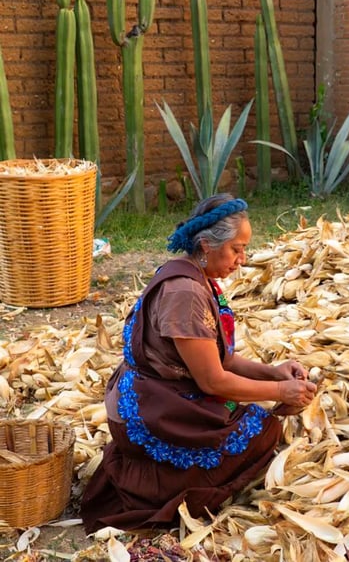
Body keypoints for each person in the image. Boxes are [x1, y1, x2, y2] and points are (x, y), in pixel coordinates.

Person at [80, 193, 317, 533]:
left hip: (161, 392)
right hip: (150, 410)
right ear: (206, 245)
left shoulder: (195, 276)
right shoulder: (185, 294)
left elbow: (222, 358)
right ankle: (158, 490)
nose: (243, 259)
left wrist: (274, 372)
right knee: (263, 431)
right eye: (237, 249)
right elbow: (213, 381)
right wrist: (281, 390)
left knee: (252, 419)